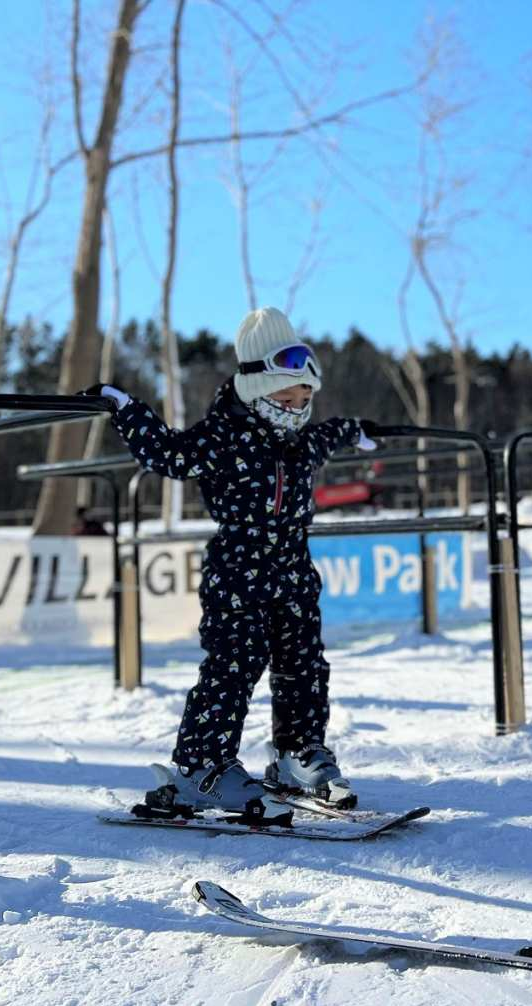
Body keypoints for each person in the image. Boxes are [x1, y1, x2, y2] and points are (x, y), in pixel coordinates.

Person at [86, 306, 377, 822]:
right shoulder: (223, 436)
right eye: (286, 399)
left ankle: (298, 754)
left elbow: (328, 432)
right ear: (257, 390)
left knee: (304, 664)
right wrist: (126, 407)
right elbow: (168, 455)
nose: (297, 408)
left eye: (305, 398)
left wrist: (358, 430)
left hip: (292, 567)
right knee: (233, 666)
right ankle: (200, 767)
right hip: (238, 570)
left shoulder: (301, 441)